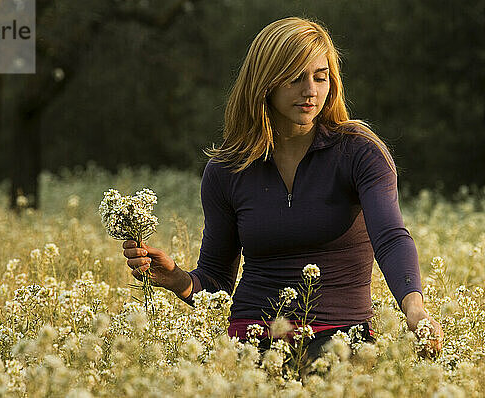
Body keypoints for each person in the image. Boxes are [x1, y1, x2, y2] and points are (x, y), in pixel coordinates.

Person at [122, 16, 443, 361]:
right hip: (250, 341)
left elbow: (391, 237)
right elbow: (215, 281)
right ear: (265, 83)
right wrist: (175, 277)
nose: (310, 91)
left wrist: (415, 309)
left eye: (321, 77)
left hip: (340, 342)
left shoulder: (359, 152)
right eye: (295, 77)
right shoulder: (227, 170)